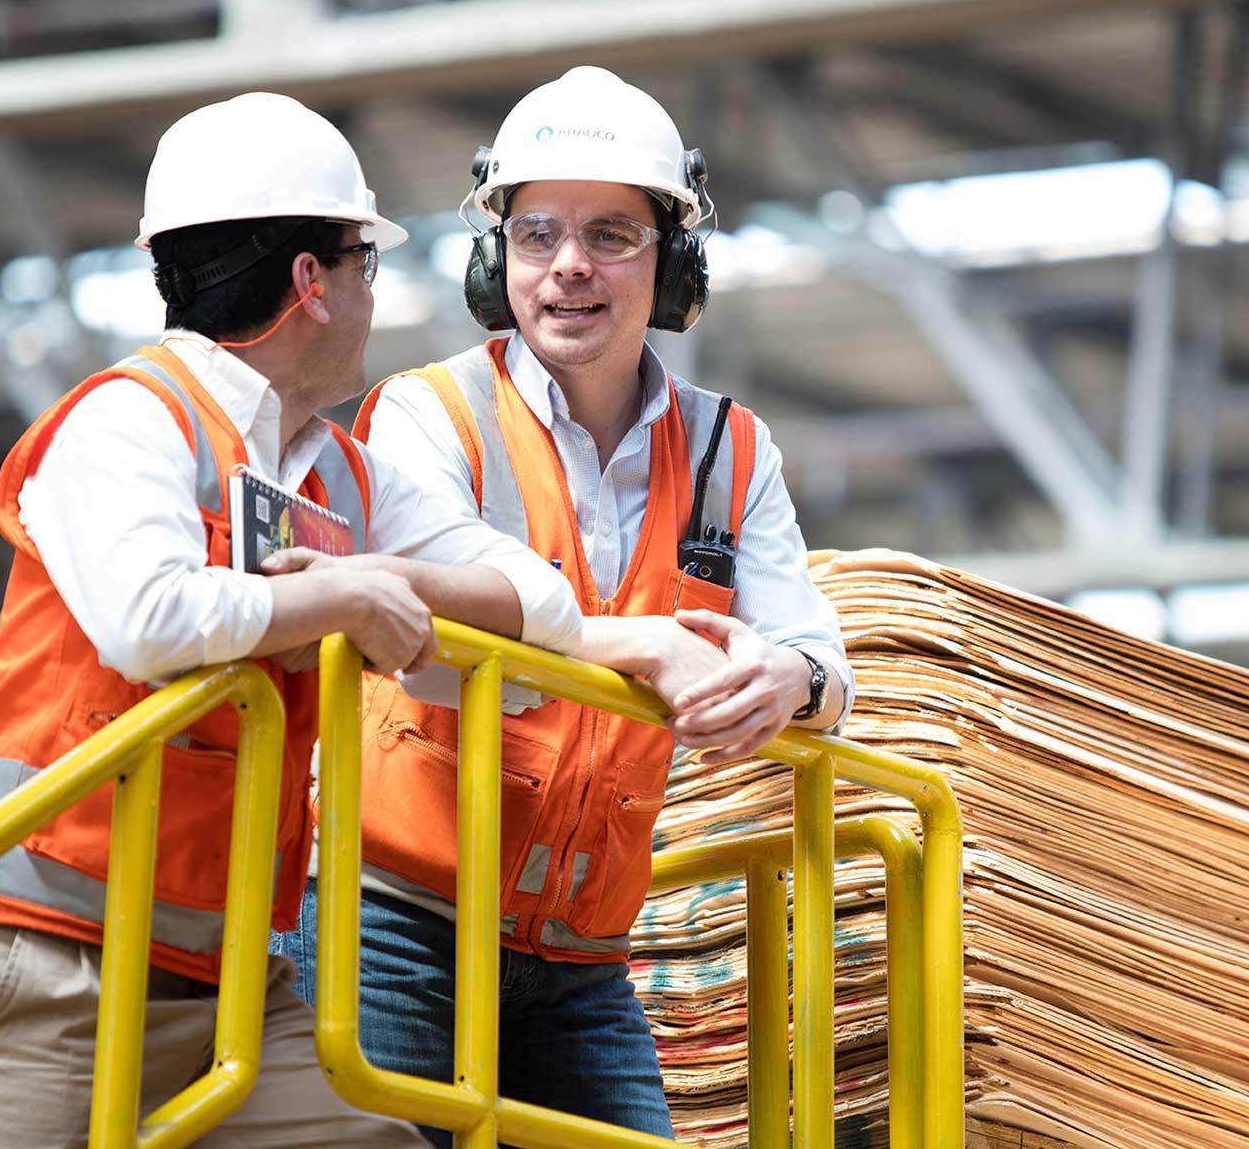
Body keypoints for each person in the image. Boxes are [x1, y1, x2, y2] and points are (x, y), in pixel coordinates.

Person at [0, 92, 585, 1148]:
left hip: (228, 986)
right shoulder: (128, 420)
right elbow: (151, 617)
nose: (374, 296)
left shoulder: (342, 475)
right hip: (43, 965)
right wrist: (346, 593)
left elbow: (544, 605)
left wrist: (381, 577)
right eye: (366, 266)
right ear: (312, 284)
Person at [268, 67, 854, 1145]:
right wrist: (646, 649)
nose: (569, 268)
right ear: (498, 261)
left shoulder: (731, 452)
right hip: (390, 915)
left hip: (581, 956)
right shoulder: (426, 417)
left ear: (670, 262)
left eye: (611, 236)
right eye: (536, 234)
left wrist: (790, 677)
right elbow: (427, 645)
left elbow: (822, 660)